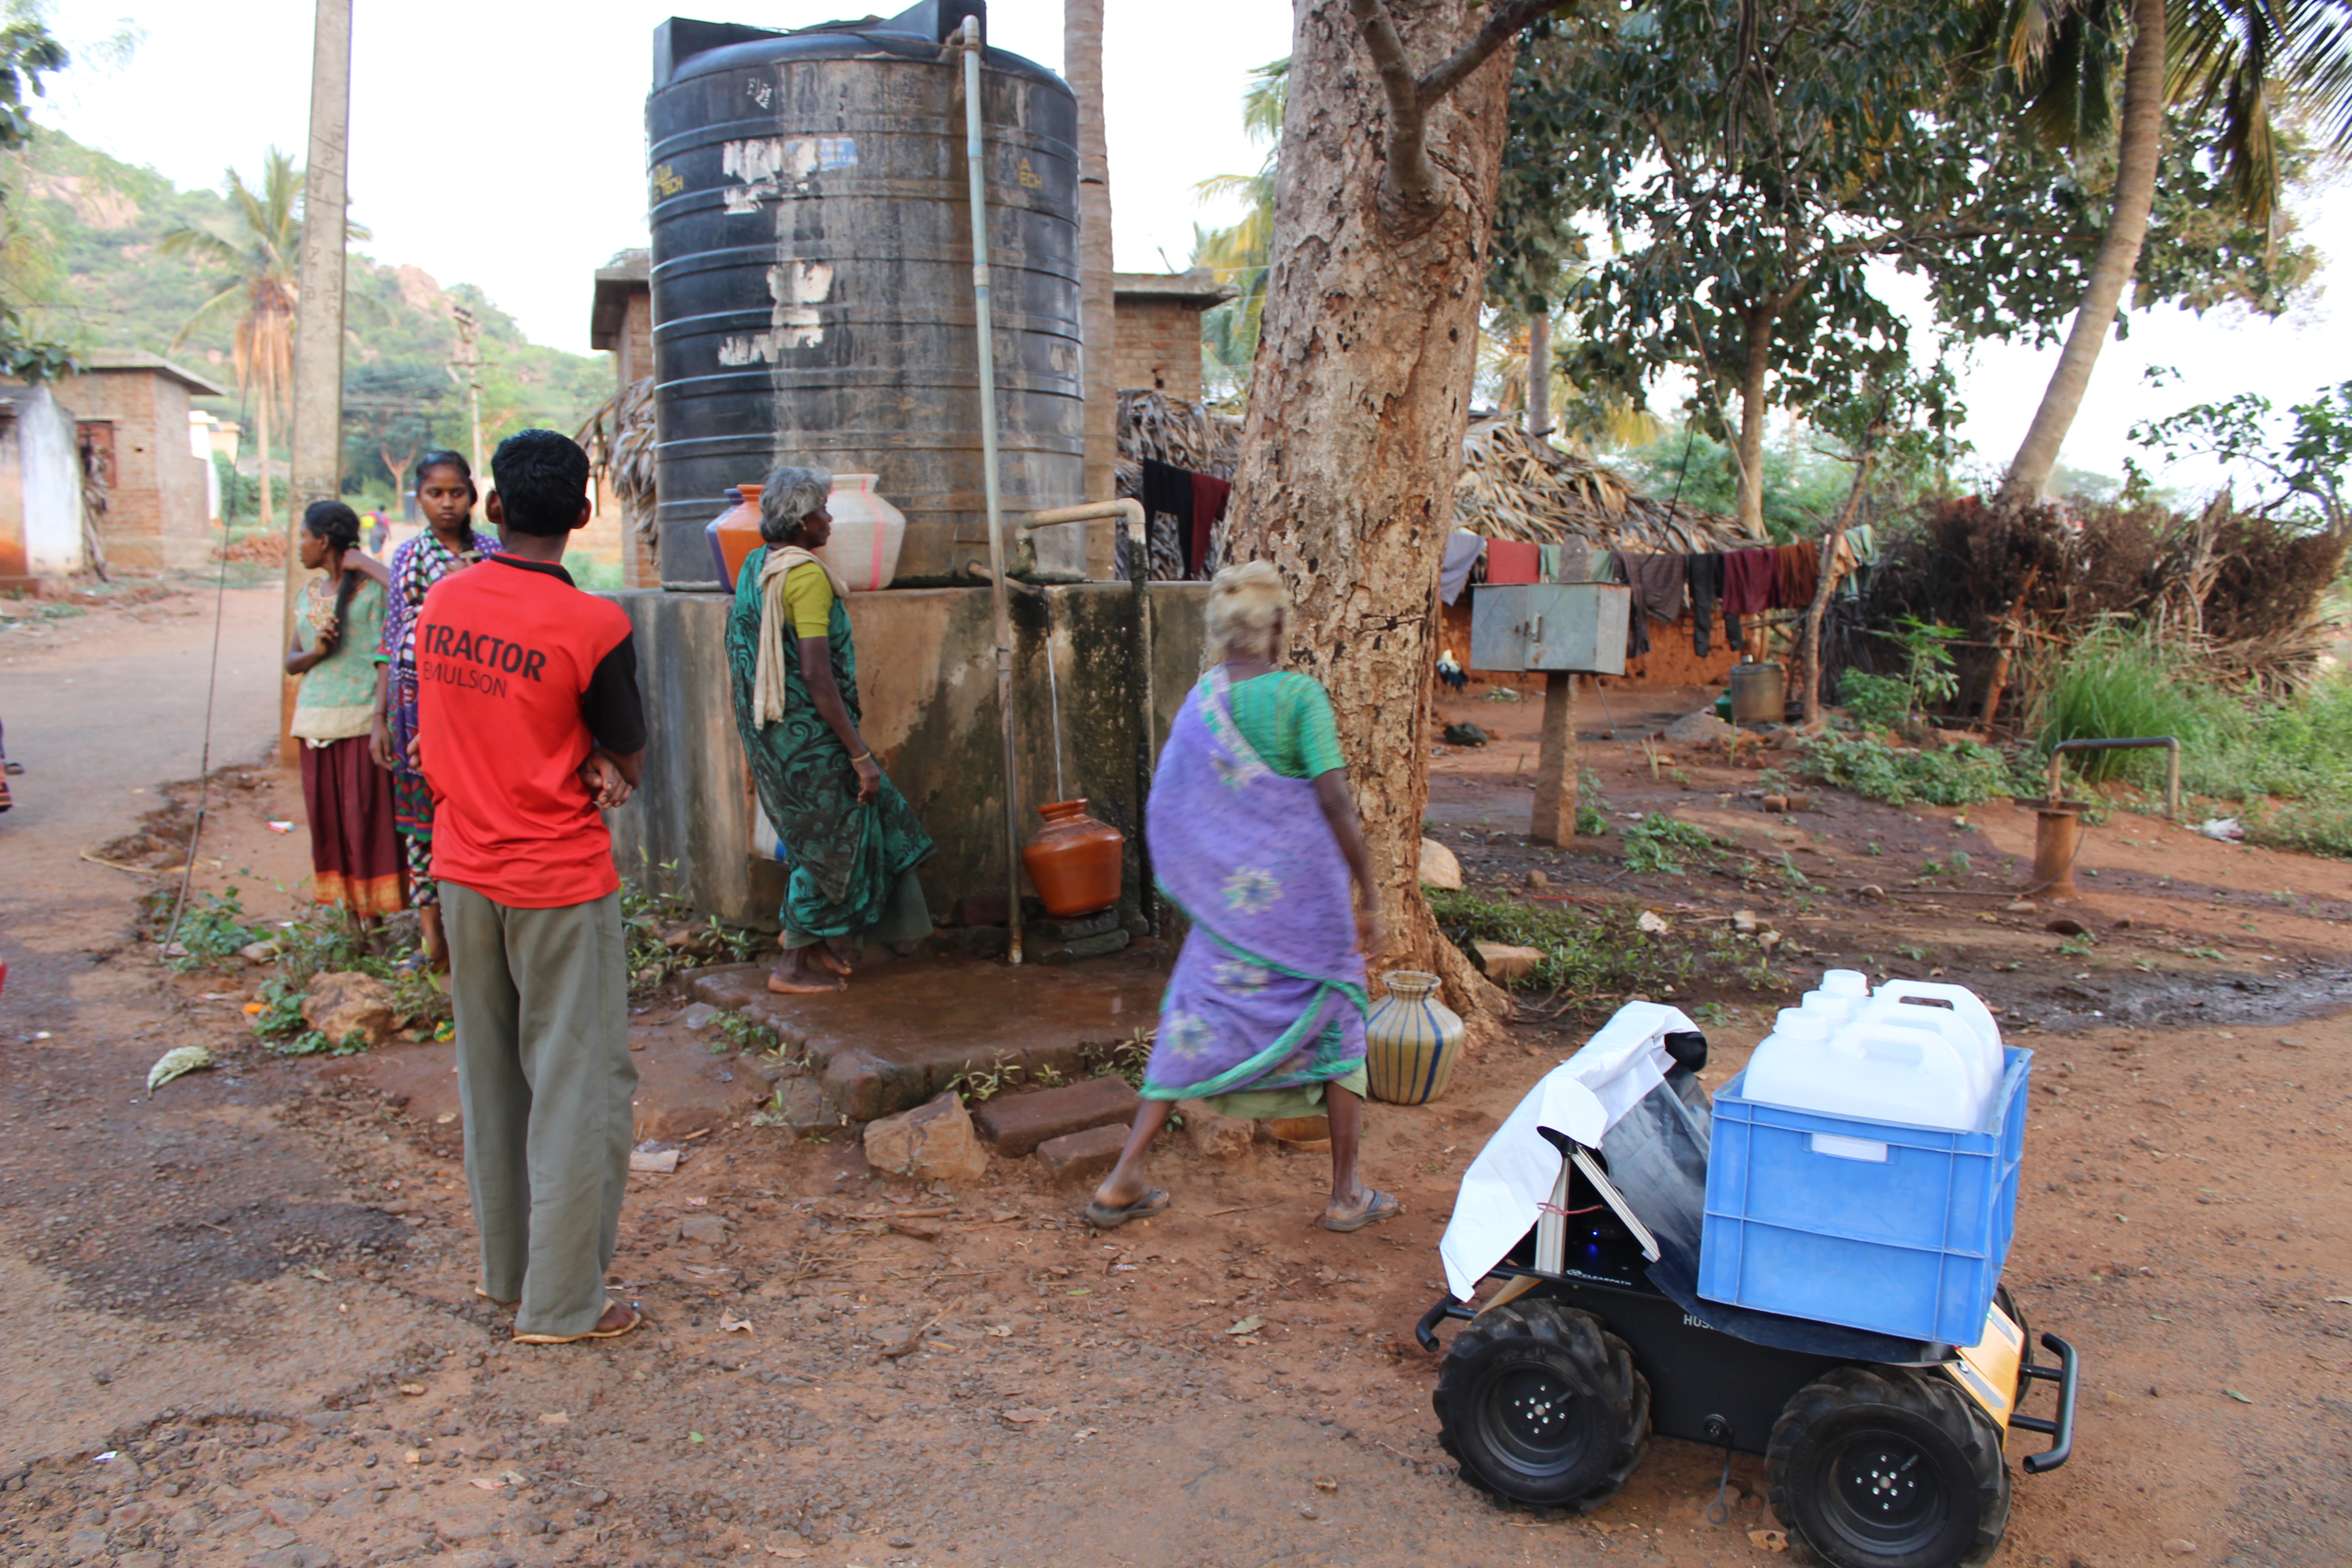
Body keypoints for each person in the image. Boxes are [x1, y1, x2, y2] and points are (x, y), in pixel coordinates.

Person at [412, 428, 647, 1345]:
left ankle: (509, 1275)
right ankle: (561, 1305)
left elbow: (435, 725)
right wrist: (598, 759)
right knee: (580, 1086)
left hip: (463, 870)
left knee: (494, 1077)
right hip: (557, 881)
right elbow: (625, 751)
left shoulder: (441, 603)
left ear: (495, 509)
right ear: (585, 517)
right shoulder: (595, 625)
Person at [1086, 560, 1397, 1232]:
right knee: (1341, 1020)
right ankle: (1345, 1195)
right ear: (1277, 624)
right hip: (1309, 913)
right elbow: (1334, 798)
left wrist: (1210, 885)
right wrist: (1368, 890)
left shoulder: (1203, 703)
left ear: (1222, 630)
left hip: (1231, 916)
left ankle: (1123, 1177)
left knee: (1191, 1023)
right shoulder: (1299, 698)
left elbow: (1175, 806)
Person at [725, 462, 935, 994]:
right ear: (800, 523)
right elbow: (818, 677)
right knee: (833, 837)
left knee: (847, 824)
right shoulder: (806, 577)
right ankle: (791, 965)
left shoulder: (757, 565)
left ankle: (815, 938)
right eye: (821, 510)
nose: (830, 519)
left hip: (770, 731)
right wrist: (858, 754)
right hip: (810, 735)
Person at [375, 451, 495, 975]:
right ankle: (433, 944)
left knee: (479, 813)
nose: (447, 504)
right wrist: (379, 718)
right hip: (415, 706)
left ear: (473, 496)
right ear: (419, 498)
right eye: (435, 494)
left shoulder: (492, 552)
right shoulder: (407, 556)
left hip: (482, 705)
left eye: (456, 493)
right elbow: (393, 635)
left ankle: (484, 942)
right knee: (422, 822)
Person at [284, 500, 405, 934]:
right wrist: (316, 651)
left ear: (323, 541)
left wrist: (368, 563)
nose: (299, 546)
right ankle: (351, 922)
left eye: (303, 536)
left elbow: (410, 604)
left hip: (359, 724)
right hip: (313, 724)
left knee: (365, 823)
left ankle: (376, 928)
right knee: (329, 826)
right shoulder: (307, 595)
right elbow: (292, 662)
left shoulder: (373, 591)